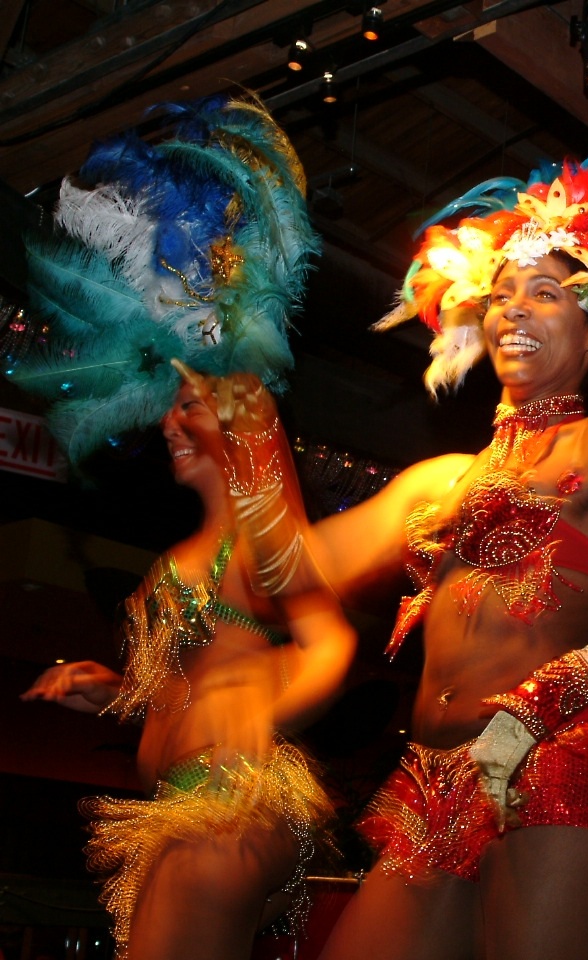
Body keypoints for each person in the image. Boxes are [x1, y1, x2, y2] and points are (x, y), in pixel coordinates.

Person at [310, 122, 588, 960]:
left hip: (557, 757)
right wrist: (240, 437)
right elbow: (295, 565)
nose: (514, 307)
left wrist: (541, 702)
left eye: (547, 292)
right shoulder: (442, 480)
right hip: (430, 783)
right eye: (504, 292)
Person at [12, 99, 354, 959]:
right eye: (169, 402)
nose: (172, 419)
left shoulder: (255, 522)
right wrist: (118, 692)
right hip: (175, 802)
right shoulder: (185, 556)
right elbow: (183, 686)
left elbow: (327, 641)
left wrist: (273, 695)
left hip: (234, 797)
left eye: (188, 402)